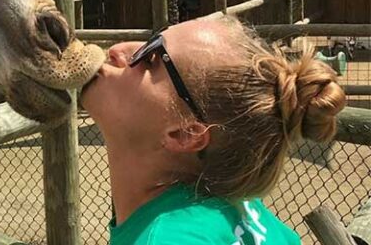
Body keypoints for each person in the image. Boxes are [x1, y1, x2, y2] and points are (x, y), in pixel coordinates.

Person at [81, 17, 346, 245]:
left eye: (151, 58)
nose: (117, 51)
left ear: (185, 133)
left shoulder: (167, 239)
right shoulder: (251, 217)